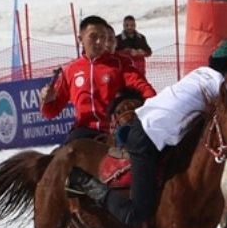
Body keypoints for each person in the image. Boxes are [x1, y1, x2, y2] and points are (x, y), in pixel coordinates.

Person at [65, 41, 227, 227]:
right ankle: (85, 182)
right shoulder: (218, 87)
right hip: (145, 138)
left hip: (153, 131)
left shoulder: (199, 74)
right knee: (137, 214)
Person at [42, 15, 157, 144]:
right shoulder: (70, 70)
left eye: (103, 37)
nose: (99, 42)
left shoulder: (120, 64)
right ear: (80, 39)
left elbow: (142, 87)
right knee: (59, 160)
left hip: (115, 131)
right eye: (93, 37)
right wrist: (47, 101)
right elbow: (50, 112)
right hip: (82, 132)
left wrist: (154, 105)